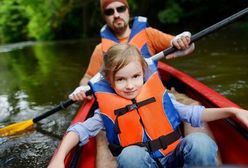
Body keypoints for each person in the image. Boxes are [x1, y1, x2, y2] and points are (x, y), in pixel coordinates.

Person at [48, 44, 248, 168]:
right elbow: (78, 130)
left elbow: (197, 114)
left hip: (175, 159)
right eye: (121, 80)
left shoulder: (163, 99)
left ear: (143, 74)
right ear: (110, 81)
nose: (130, 85)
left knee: (200, 141)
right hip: (143, 164)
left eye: (136, 77)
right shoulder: (105, 113)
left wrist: (233, 111)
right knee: (130, 155)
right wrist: (59, 158)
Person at [79, 0, 195, 89]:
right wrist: (83, 88)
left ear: (128, 10)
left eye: (120, 9)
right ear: (104, 17)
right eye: (109, 12)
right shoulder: (100, 50)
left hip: (156, 93)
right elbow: (88, 78)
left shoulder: (149, 34)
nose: (116, 15)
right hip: (122, 103)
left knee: (194, 108)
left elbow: (190, 46)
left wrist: (184, 39)